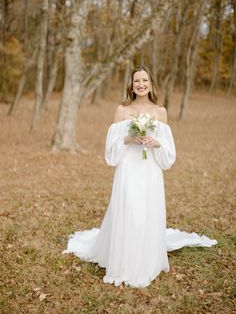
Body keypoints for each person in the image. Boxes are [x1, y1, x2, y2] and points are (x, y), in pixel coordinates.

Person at [63, 65, 217, 288]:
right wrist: (128, 138)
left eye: (145, 80)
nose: (141, 84)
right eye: (137, 81)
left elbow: (168, 153)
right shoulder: (122, 111)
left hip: (150, 171)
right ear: (131, 85)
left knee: (147, 212)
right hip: (128, 169)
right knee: (129, 210)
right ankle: (124, 259)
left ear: (151, 84)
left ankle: (146, 260)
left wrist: (156, 143)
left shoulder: (160, 112)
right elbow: (110, 149)